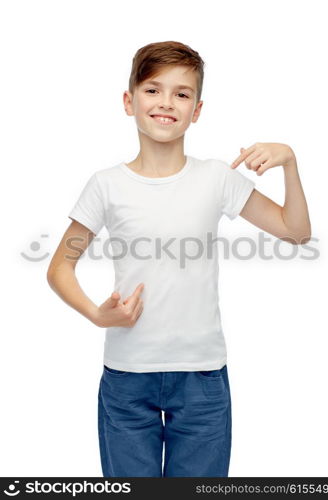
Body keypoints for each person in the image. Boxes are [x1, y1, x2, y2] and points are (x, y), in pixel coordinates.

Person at [46, 40, 311, 478]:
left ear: (197, 110)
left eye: (182, 93)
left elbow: (297, 232)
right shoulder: (106, 185)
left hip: (202, 378)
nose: (166, 102)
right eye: (153, 90)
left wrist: (290, 164)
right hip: (128, 378)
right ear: (129, 101)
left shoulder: (217, 179)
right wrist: (97, 314)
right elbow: (59, 268)